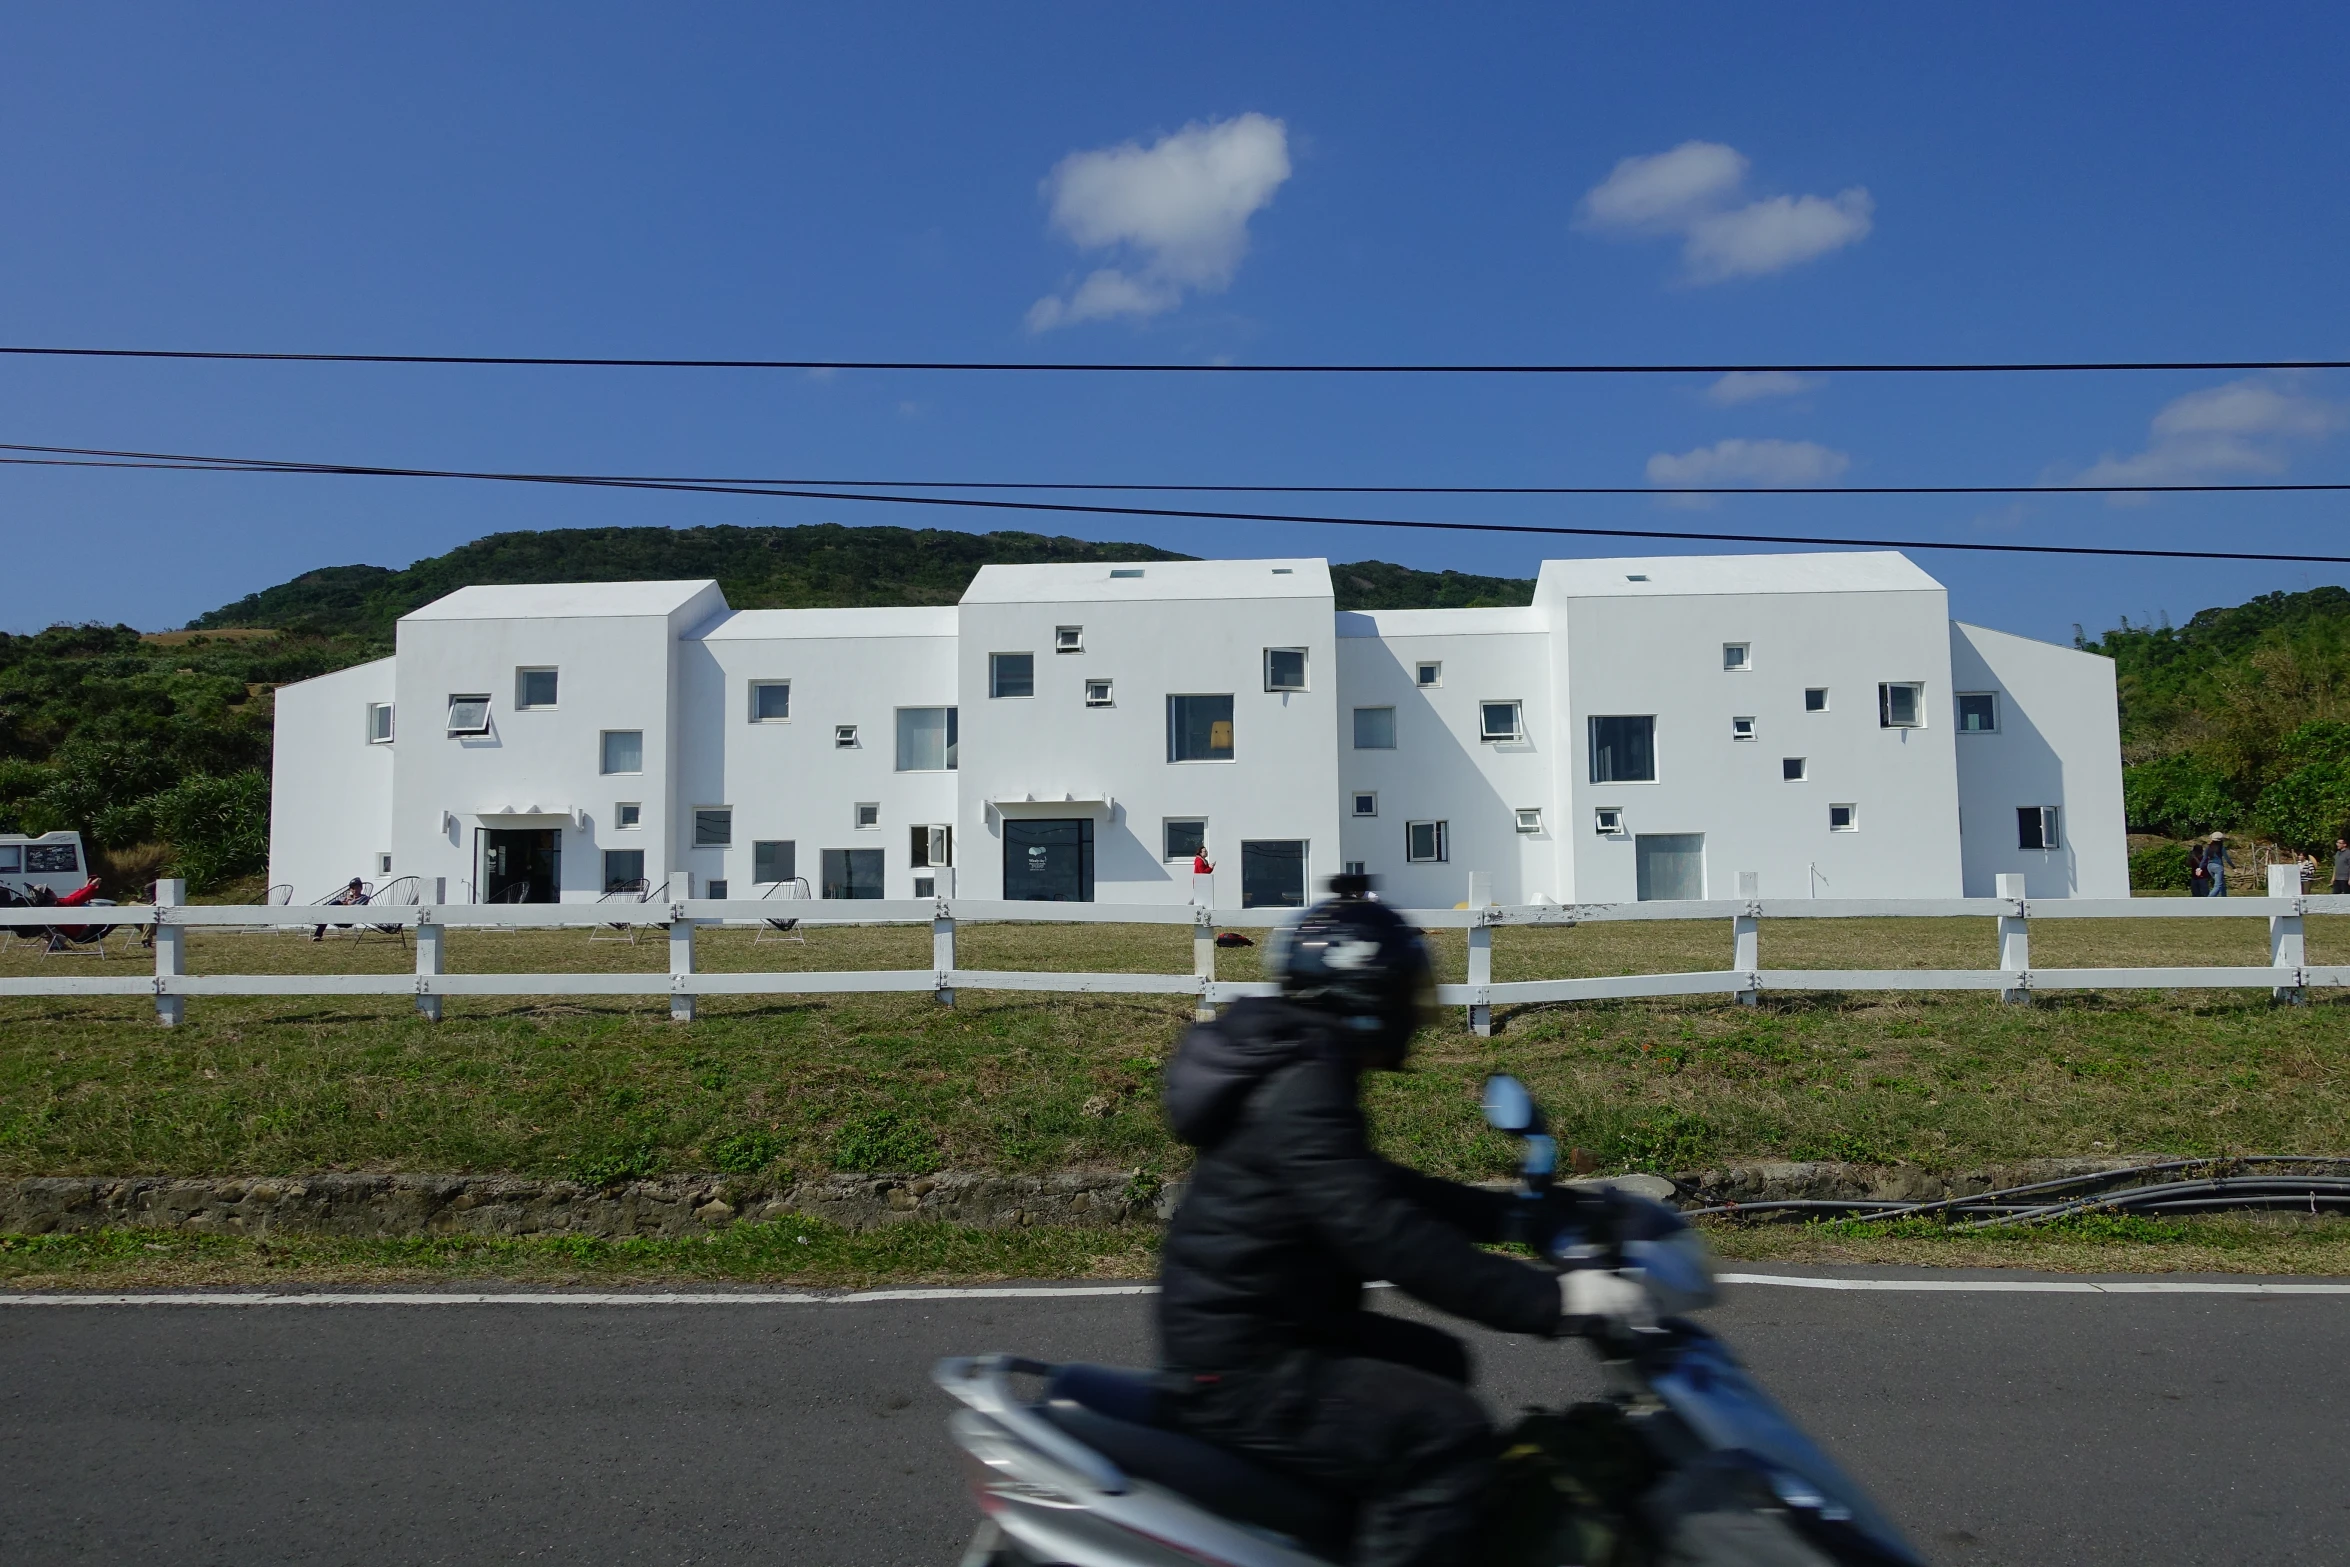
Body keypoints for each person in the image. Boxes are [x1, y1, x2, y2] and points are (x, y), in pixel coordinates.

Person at [1154, 876, 1643, 1567]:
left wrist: (1519, 1214)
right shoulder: (1303, 1086)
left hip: (1270, 1323)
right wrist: (1553, 1300)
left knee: (1440, 1361)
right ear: (1365, 996)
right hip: (1242, 1360)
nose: (1417, 1012)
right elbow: (1384, 1232)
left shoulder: (1303, 1063)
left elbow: (1380, 1187)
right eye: (1407, 993)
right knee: (1444, 1431)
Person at [312, 877, 366, 941]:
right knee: (334, 906)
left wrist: (347, 904)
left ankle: (319, 919)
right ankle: (317, 936)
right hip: (339, 916)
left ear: (361, 888)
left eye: (357, 888)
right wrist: (345, 903)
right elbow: (340, 903)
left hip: (348, 919)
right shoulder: (347, 897)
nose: (355, 890)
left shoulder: (363, 897)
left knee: (327, 913)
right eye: (353, 888)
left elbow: (356, 908)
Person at [2205, 832, 2231, 897]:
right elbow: (2227, 858)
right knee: (2218, 885)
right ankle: (2209, 899)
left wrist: (2200, 867)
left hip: (2209, 866)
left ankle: (2224, 897)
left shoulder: (2208, 848)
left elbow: (2204, 858)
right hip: (2218, 867)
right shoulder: (2221, 847)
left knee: (2222, 884)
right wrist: (2233, 867)